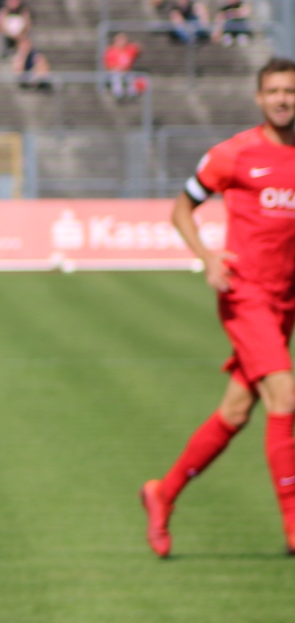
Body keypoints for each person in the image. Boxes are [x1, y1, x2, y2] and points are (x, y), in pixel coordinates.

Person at [142, 58, 295, 557]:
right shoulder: (234, 155)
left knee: (236, 411)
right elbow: (181, 209)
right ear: (259, 98)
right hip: (245, 295)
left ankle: (163, 493)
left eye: (290, 91)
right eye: (274, 91)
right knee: (285, 395)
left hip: (284, 302)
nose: (283, 99)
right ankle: (294, 526)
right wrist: (207, 257)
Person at [102, 32, 141, 99]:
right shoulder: (111, 50)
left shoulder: (129, 49)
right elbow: (108, 65)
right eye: (120, 40)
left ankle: (132, 95)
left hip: (126, 72)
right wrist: (118, 67)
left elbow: (139, 49)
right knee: (116, 77)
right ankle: (118, 95)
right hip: (114, 72)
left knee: (133, 77)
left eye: (124, 39)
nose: (122, 42)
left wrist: (137, 46)